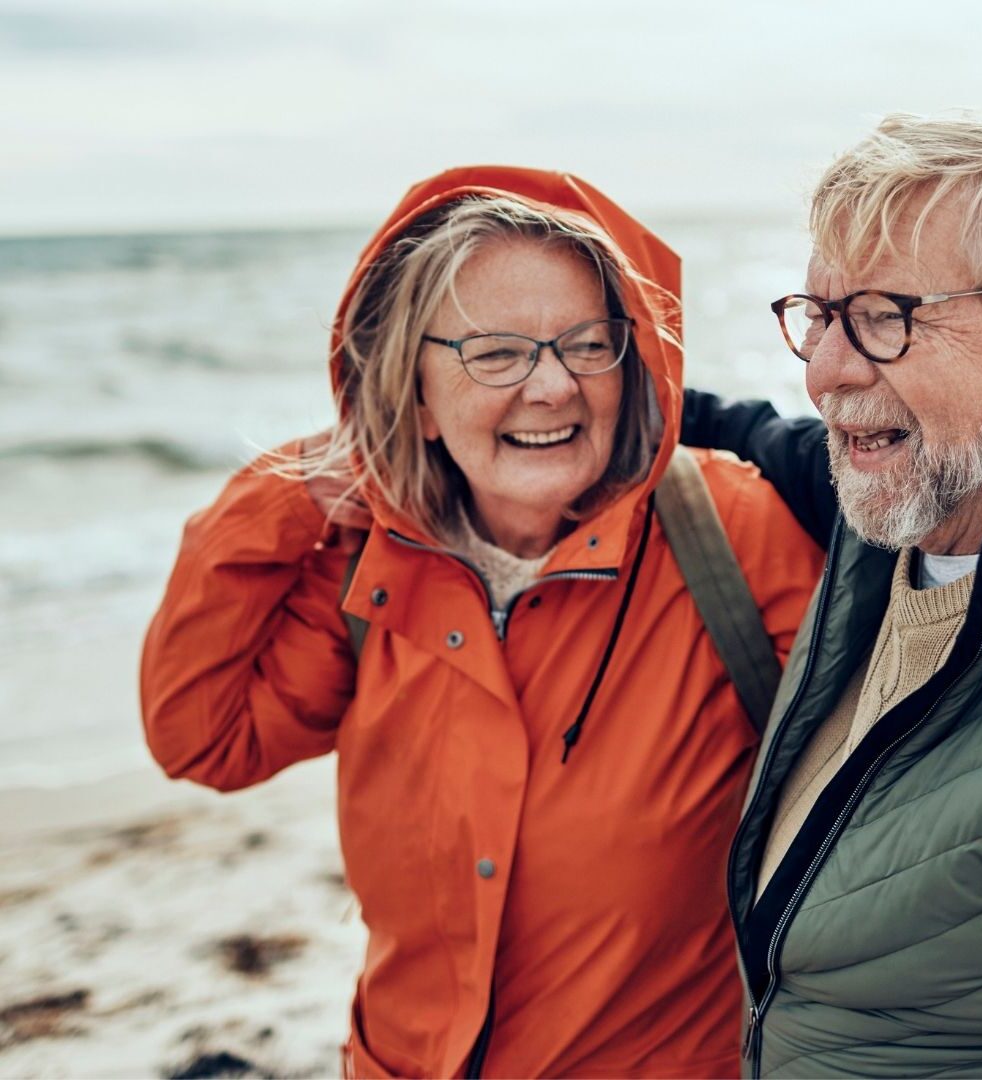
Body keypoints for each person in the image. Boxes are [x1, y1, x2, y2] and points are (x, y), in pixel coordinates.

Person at [141, 166, 822, 1078]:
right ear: (415, 391)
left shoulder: (729, 535)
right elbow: (203, 737)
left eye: (589, 346)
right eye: (495, 353)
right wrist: (295, 488)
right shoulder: (367, 569)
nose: (551, 388)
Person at [682, 111, 982, 1077]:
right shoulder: (893, 513)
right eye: (820, 318)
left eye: (886, 317)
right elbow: (750, 429)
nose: (828, 373)